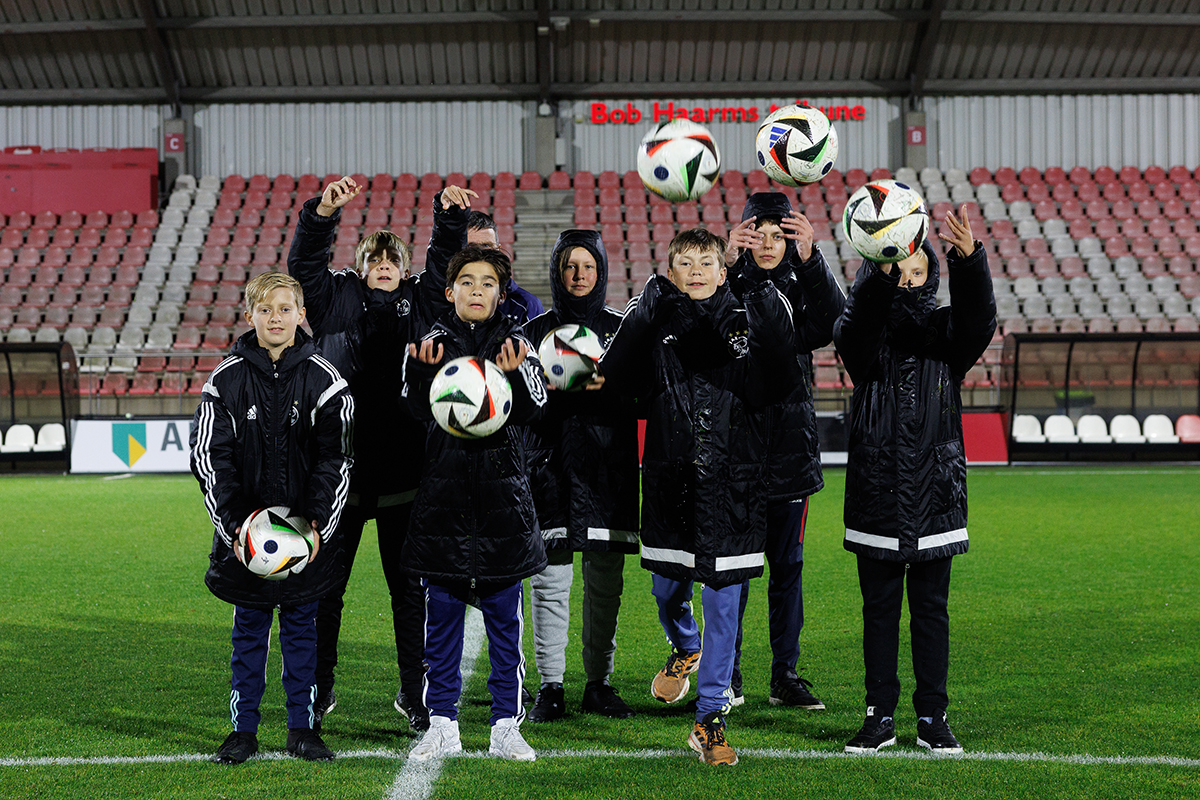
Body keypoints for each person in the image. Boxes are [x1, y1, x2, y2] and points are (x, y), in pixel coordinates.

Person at [600, 228, 797, 766]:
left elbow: (779, 379)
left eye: (706, 261)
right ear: (671, 268)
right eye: (683, 262)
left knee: (725, 603)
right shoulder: (657, 318)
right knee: (667, 591)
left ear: (722, 267)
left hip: (734, 485)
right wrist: (643, 312)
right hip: (670, 483)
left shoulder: (748, 317)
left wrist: (758, 290)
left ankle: (709, 716)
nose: (695, 271)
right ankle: (685, 644)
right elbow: (615, 377)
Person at [287, 176, 474, 733]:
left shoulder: (422, 300)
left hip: (404, 477)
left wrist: (449, 217)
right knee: (325, 591)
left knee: (409, 593)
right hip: (339, 475)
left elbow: (445, 262)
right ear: (363, 265)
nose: (385, 265)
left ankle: (414, 695)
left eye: (394, 258)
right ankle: (318, 691)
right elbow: (306, 270)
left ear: (404, 266)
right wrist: (322, 214)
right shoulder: (335, 297)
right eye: (376, 257)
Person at [833, 206, 996, 755]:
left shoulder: (948, 332)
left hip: (935, 491)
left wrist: (970, 261)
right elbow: (856, 326)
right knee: (877, 611)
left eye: (917, 270)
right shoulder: (860, 337)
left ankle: (933, 717)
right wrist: (882, 270)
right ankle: (878, 715)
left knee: (931, 611)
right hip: (877, 489)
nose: (907, 276)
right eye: (896, 266)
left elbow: (980, 321)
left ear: (933, 277)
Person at [190, 272, 355, 765]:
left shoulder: (326, 380)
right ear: (250, 316)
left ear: (302, 315)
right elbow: (208, 460)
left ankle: (303, 728)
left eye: (286, 309)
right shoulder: (225, 380)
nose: (276, 318)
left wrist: (315, 526)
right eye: (266, 309)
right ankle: (242, 730)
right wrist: (240, 528)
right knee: (249, 632)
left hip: (306, 539)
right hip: (247, 541)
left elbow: (339, 458)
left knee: (304, 630)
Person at [401, 245, 549, 762]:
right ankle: (442, 723)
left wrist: (516, 375)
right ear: (450, 291)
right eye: (468, 282)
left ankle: (506, 725)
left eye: (488, 283)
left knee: (506, 627)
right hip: (443, 505)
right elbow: (414, 410)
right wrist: (421, 379)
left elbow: (536, 410)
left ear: (501, 293)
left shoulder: (518, 342)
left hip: (502, 504)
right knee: (439, 625)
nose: (478, 291)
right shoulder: (429, 345)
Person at [723, 193, 845, 709]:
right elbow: (699, 313)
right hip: (737, 452)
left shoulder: (801, 284)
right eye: (760, 236)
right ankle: (727, 675)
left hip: (791, 453)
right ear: (746, 238)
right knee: (734, 571)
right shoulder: (727, 282)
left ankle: (785, 675)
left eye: (780, 236)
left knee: (787, 570)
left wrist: (812, 257)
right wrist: (726, 265)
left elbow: (840, 322)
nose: (770, 246)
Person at [522, 230, 640, 722]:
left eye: (587, 266)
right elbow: (521, 405)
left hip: (606, 470)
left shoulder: (620, 330)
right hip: (549, 469)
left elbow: (643, 392)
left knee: (605, 583)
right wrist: (545, 388)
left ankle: (599, 682)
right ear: (556, 272)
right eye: (569, 266)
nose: (578, 275)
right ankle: (551, 685)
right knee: (550, 581)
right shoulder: (533, 331)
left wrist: (609, 387)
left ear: (602, 271)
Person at [467, 209, 545, 324]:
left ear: (498, 250)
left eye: (487, 245)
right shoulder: (444, 299)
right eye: (471, 247)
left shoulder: (527, 304)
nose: (480, 253)